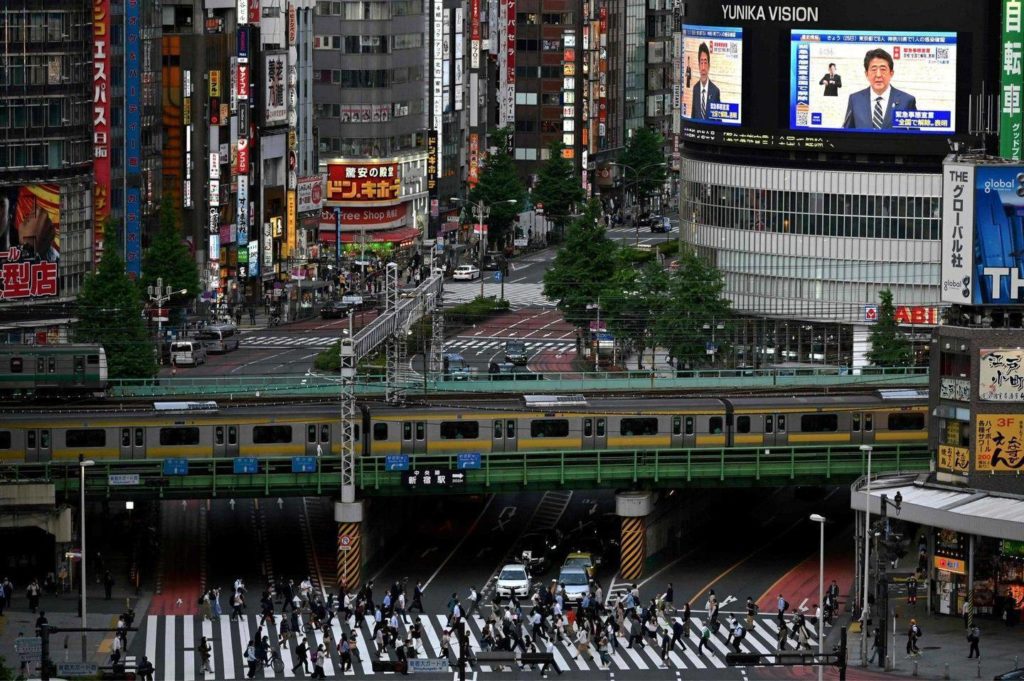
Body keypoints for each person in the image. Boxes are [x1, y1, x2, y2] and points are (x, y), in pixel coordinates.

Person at [842, 48, 918, 129]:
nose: (878, 75)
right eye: (874, 69)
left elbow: (915, 135)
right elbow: (847, 133)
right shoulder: (855, 100)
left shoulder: (907, 101)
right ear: (866, 74)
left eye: (883, 69)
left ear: (891, 73)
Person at [691, 42, 721, 121]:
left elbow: (719, 121)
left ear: (709, 66)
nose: (703, 68)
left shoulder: (715, 91)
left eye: (705, 62)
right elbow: (693, 117)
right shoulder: (695, 89)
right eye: (701, 63)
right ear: (698, 65)